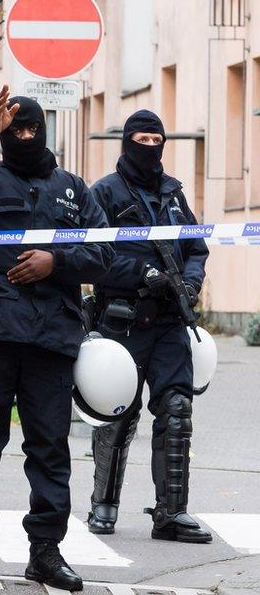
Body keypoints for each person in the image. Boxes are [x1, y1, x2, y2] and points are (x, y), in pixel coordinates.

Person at [0, 87, 113, 589]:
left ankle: (46, 551)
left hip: (50, 340)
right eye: (15, 129)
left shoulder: (74, 189)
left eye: (31, 129)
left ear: (44, 131)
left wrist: (54, 261)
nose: (24, 136)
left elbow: (104, 256)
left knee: (50, 450)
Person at [86, 110, 212, 543]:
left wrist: (191, 281)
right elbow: (93, 255)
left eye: (156, 137)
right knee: (117, 413)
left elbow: (196, 247)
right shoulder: (103, 193)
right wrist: (141, 274)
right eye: (141, 138)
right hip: (122, 320)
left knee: (177, 411)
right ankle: (103, 504)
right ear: (127, 141)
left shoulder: (173, 194)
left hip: (169, 323)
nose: (149, 144)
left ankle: (171, 513)